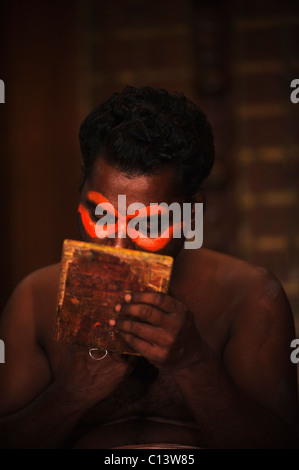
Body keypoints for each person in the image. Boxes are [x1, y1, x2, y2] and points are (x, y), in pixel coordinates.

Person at [0, 86, 298, 449]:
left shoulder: (250, 298)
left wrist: (194, 364)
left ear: (192, 213)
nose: (119, 247)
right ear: (80, 189)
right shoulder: (34, 301)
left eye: (149, 225)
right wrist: (71, 394)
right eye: (101, 215)